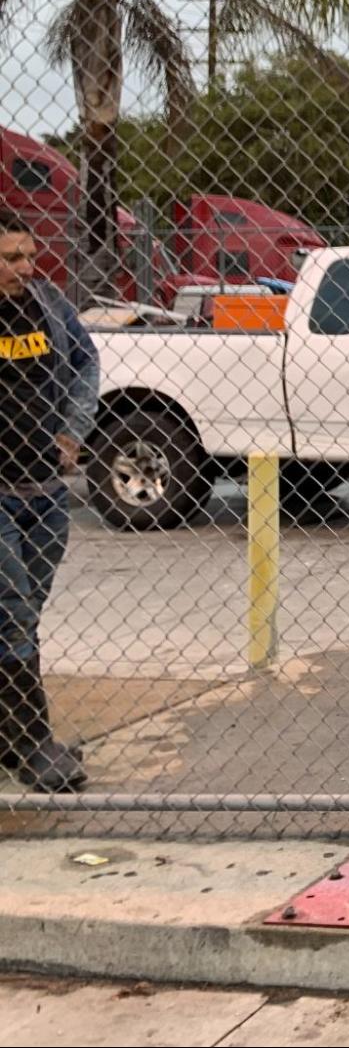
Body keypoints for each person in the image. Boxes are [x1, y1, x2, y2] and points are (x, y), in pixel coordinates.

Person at [0, 212, 96, 792]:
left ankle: (10, 735)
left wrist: (73, 430)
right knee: (11, 614)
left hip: (45, 494)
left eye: (29, 256)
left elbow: (85, 362)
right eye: (11, 258)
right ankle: (35, 745)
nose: (26, 268)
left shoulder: (48, 303)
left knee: (24, 615)